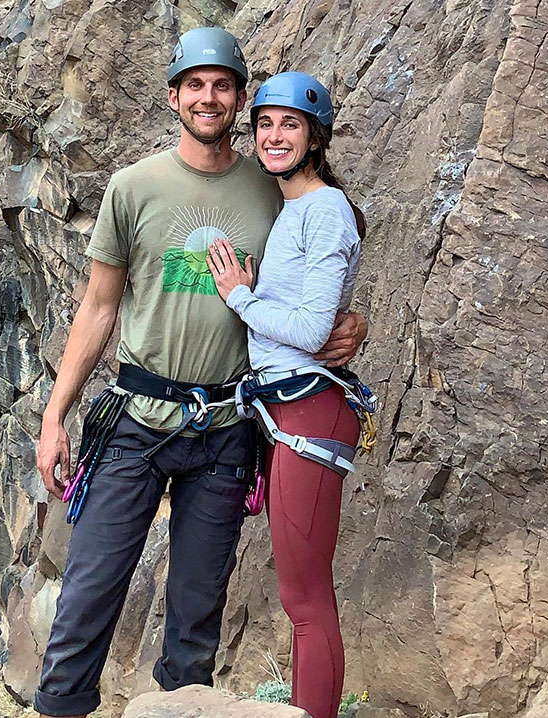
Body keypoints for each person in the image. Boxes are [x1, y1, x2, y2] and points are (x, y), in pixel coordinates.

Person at [34, 29, 368, 718]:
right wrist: (54, 413)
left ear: (238, 97)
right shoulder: (133, 188)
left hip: (227, 428)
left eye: (222, 85)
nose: (208, 97)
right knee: (89, 591)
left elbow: (316, 265)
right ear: (174, 96)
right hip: (136, 418)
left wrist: (350, 322)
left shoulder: (272, 188)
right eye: (195, 84)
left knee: (197, 610)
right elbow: (98, 308)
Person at [207, 72, 366, 718]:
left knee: (306, 601)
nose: (274, 136)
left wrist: (240, 298)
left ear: (316, 136)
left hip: (308, 409)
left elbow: (308, 330)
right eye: (265, 124)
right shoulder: (299, 209)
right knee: (302, 597)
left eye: (290, 125)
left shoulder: (323, 210)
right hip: (290, 410)